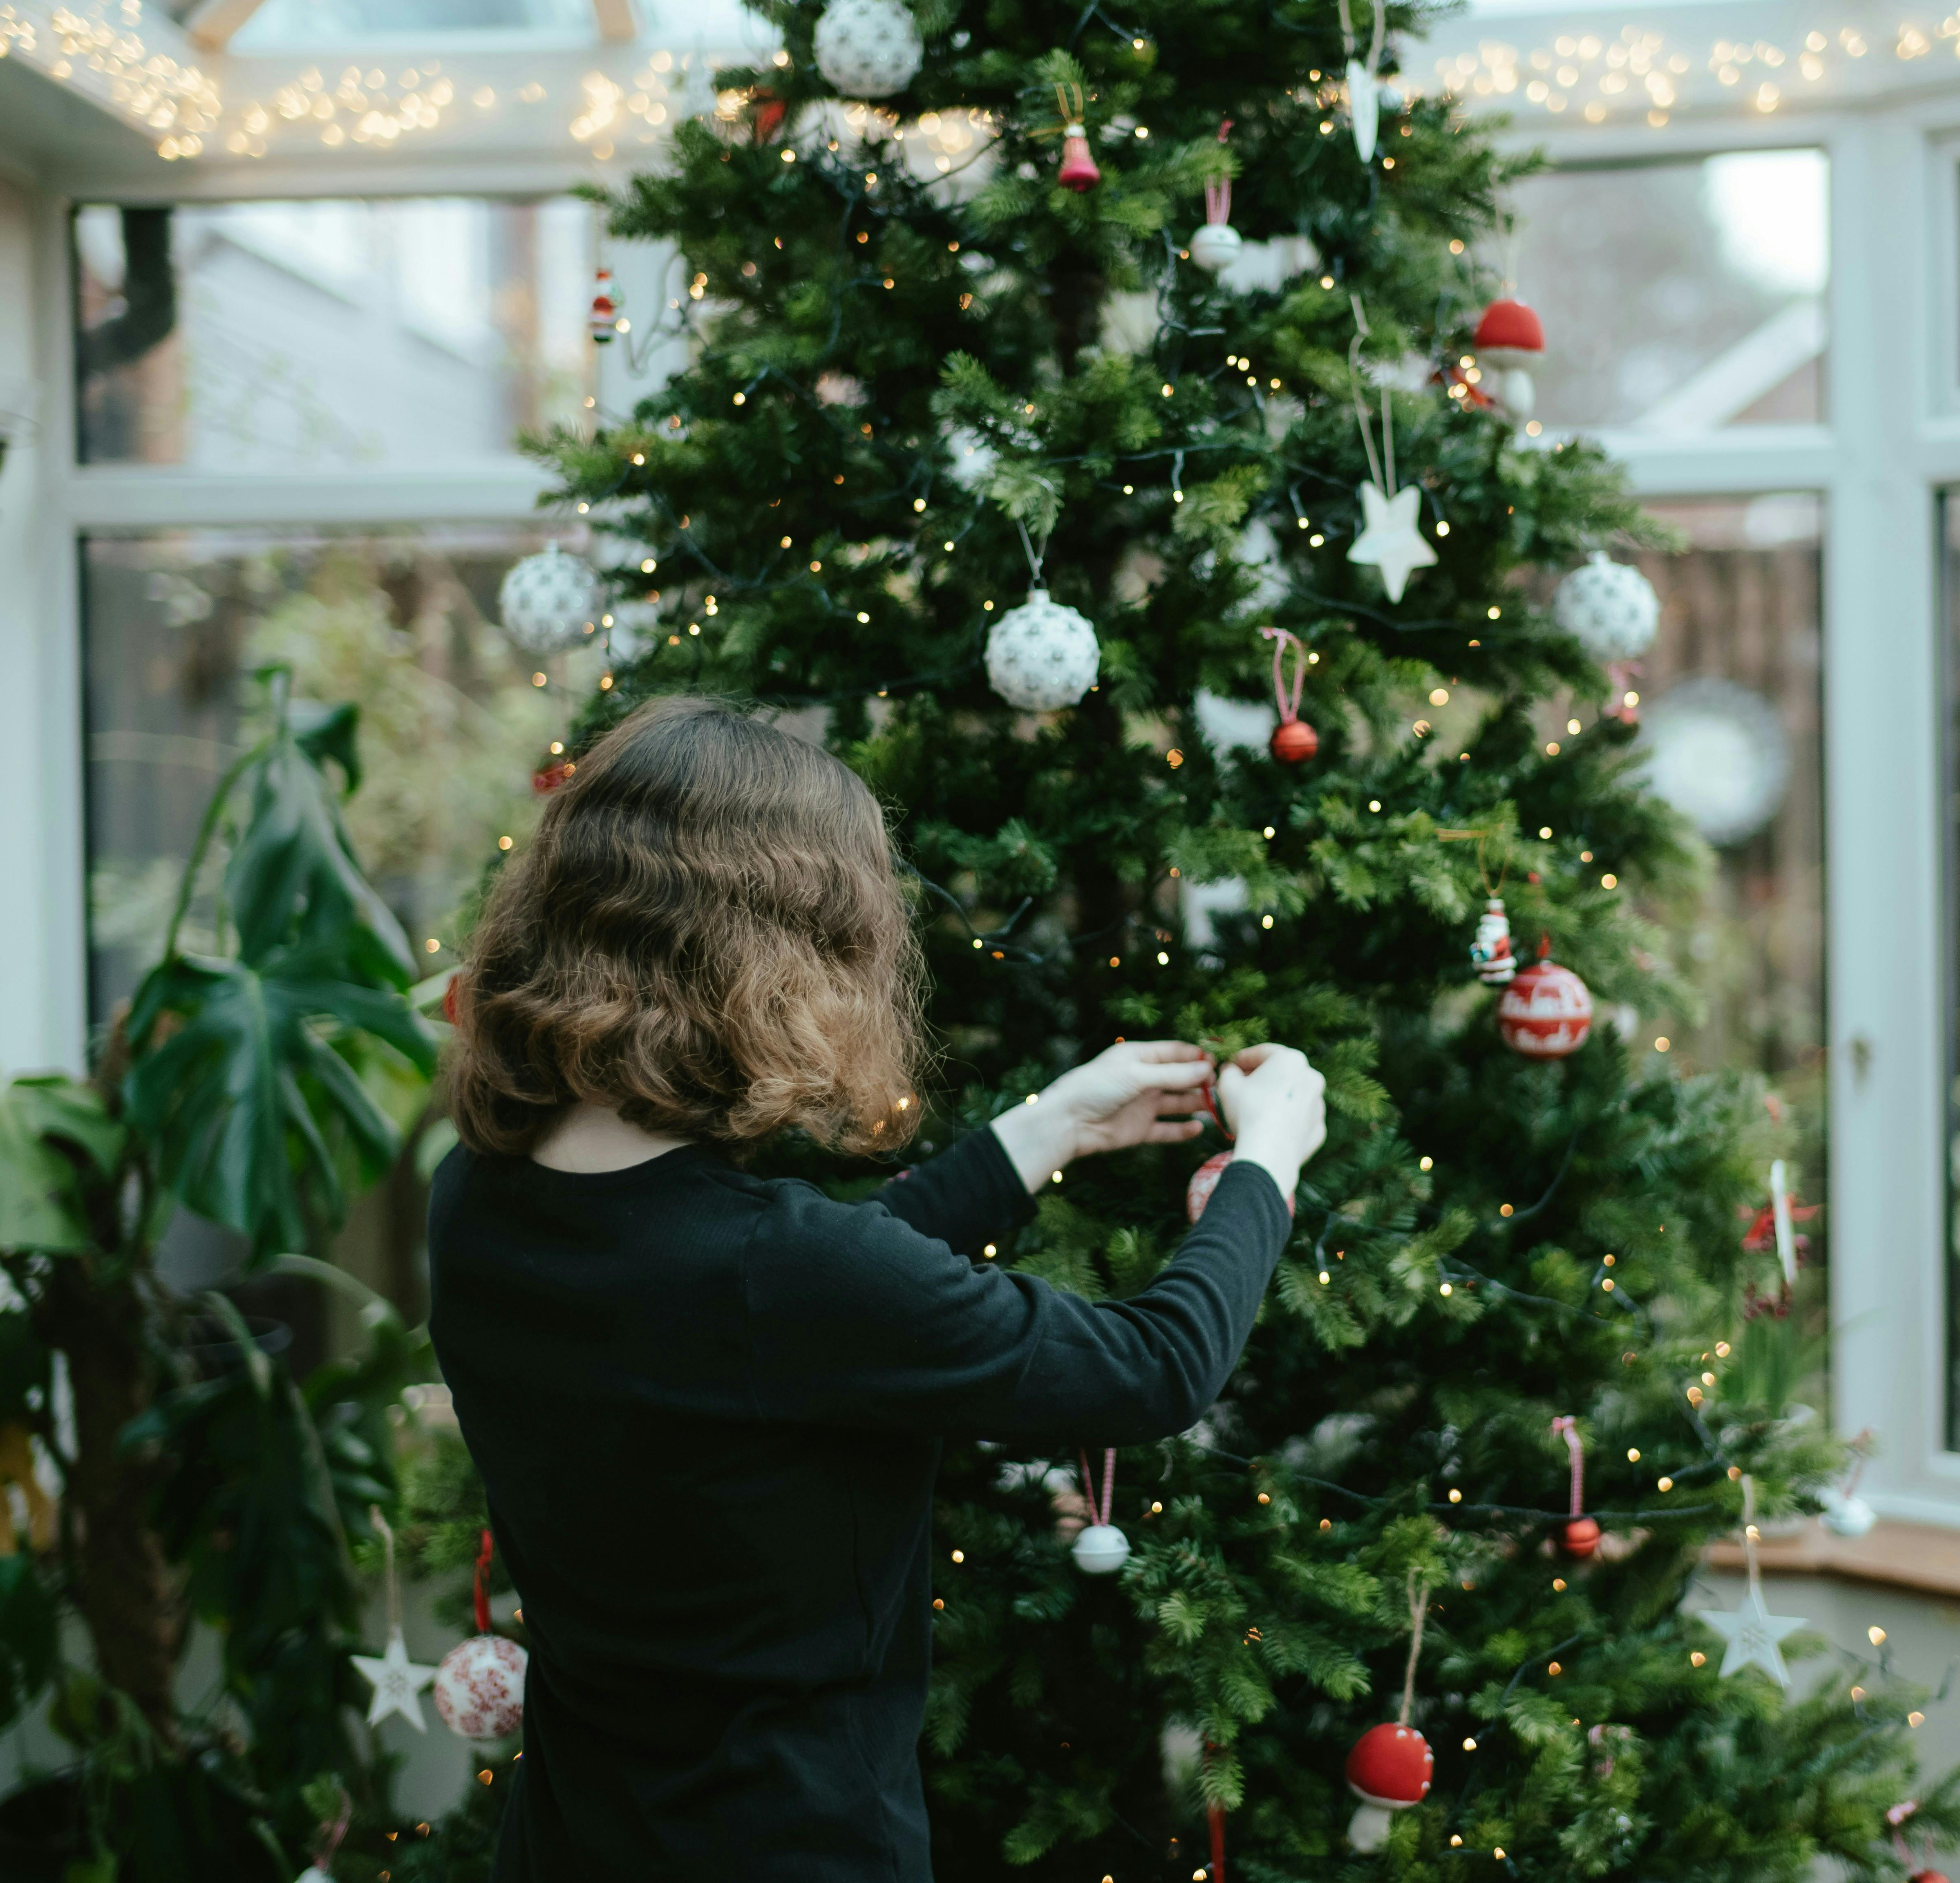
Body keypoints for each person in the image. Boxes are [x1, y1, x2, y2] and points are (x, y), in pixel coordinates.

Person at [427, 698, 1324, 1881]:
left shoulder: (479, 1200)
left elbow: (760, 1316)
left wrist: (1036, 1133)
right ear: (780, 959)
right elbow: (1148, 1368)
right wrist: (1269, 1160)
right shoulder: (779, 1270)